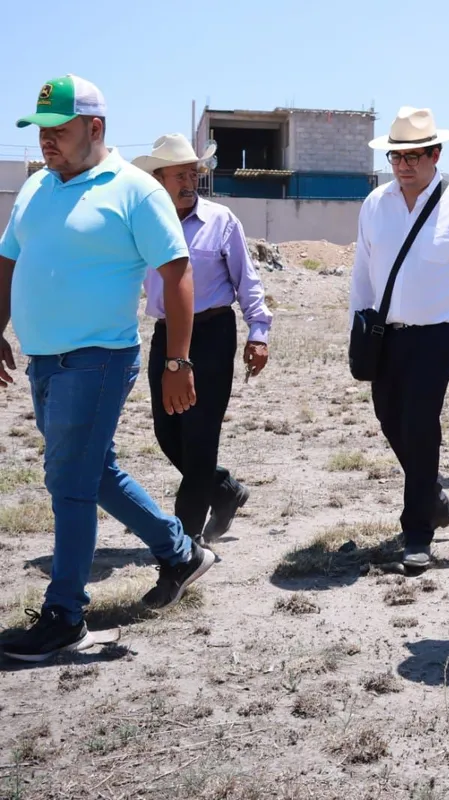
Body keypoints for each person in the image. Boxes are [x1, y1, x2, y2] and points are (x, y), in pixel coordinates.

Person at [0, 75, 215, 661]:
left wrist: (177, 359)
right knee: (92, 473)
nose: (46, 141)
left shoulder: (134, 190)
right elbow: (8, 257)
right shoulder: (36, 188)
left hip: (98, 358)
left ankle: (65, 614)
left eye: (59, 130)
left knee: (67, 481)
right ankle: (181, 552)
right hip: (45, 359)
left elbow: (177, 272)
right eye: (40, 130)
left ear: (95, 128)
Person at [350, 107, 449, 571]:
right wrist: (360, 325)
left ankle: (417, 534)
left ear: (436, 154)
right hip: (384, 335)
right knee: (390, 419)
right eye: (397, 156)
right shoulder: (375, 204)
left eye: (415, 155)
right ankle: (432, 496)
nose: (404, 164)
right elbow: (363, 272)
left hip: (437, 337)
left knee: (420, 423)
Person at [134, 134, 273, 543]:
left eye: (193, 173)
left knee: (199, 438)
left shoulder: (221, 220)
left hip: (212, 334)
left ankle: (185, 543)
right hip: (164, 335)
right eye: (180, 174)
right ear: (158, 179)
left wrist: (258, 333)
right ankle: (224, 489)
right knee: (167, 433)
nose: (189, 181)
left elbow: (248, 280)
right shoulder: (143, 225)